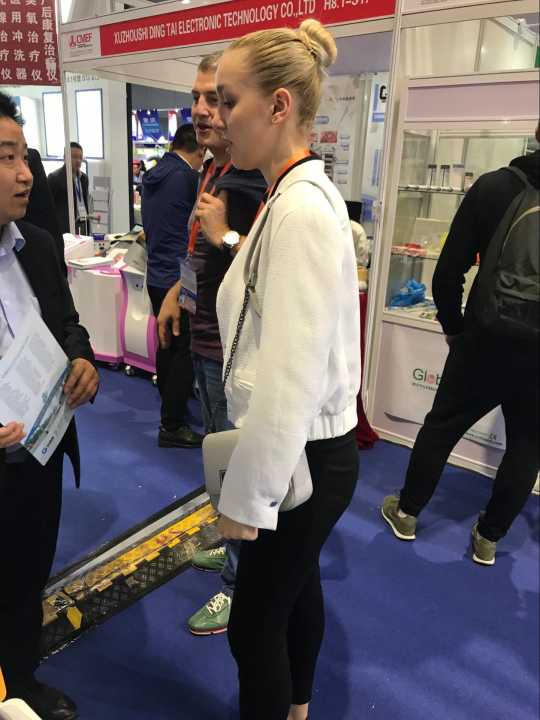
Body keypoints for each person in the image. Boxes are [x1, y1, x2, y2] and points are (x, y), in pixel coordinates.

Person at [211, 21, 360, 720]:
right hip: (308, 450)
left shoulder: (300, 209)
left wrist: (249, 497)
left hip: (301, 452)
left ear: (278, 106)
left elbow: (291, 376)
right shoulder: (293, 195)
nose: (217, 117)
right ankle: (298, 708)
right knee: (296, 594)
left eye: (228, 100)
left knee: (252, 628)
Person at [381, 128, 540, 566]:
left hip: (485, 340)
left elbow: (448, 272)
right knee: (528, 445)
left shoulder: (495, 187)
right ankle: (489, 537)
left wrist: (455, 329)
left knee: (442, 426)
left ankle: (407, 513)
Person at [157, 54, 266, 636]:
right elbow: (199, 252)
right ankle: (231, 551)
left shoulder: (251, 181)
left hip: (233, 353)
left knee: (238, 472)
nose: (203, 111)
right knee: (218, 462)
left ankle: (239, 585)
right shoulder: (213, 170)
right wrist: (178, 293)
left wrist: (226, 234)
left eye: (217, 99)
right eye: (197, 98)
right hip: (205, 344)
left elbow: (265, 267)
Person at [0, 93, 99, 720]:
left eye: (24, 157)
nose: (25, 174)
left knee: (26, 577)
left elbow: (68, 324)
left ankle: (19, 680)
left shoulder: (36, 245)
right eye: (6, 158)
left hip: (39, 453)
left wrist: (82, 358)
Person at [142, 123, 205, 449]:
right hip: (181, 277)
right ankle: (172, 424)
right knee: (184, 348)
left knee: (165, 341)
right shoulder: (187, 178)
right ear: (198, 150)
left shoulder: (152, 175)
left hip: (155, 273)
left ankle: (169, 398)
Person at [25, 148, 65, 273]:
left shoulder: (83, 178)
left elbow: (47, 210)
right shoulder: (55, 177)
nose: (26, 177)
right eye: (9, 157)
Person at [48, 141, 89, 235]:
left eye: (80, 157)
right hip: (65, 226)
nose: (78, 160)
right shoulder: (54, 178)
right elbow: (49, 206)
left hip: (82, 222)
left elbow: (84, 201)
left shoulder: (84, 178)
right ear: (65, 157)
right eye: (74, 157)